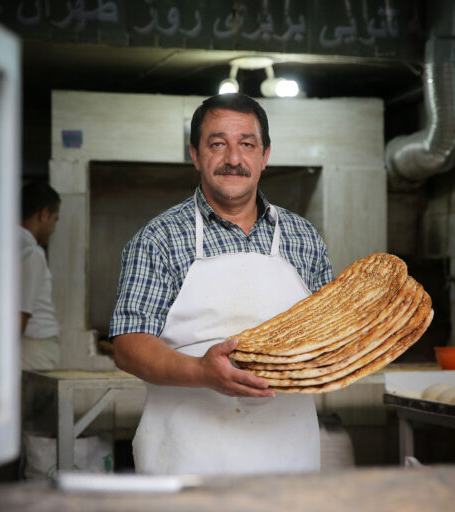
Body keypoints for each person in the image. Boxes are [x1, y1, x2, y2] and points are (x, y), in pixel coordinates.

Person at [110, 93, 334, 475]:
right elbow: (129, 346)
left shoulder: (303, 237)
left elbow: (331, 330)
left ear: (264, 155)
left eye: (247, 144)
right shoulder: (159, 239)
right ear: (196, 155)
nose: (233, 158)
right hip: (187, 458)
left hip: (289, 458)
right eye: (218, 144)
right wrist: (201, 371)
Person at [19, 181, 61, 371]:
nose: (53, 228)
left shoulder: (5, 245)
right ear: (43, 215)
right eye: (55, 219)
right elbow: (21, 313)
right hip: (34, 348)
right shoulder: (30, 252)